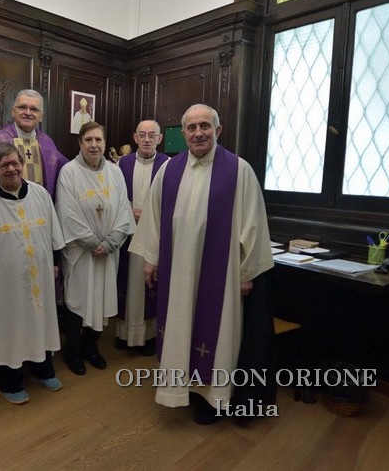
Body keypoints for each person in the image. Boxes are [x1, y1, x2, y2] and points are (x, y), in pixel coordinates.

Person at [129, 104, 274, 424]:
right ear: (183, 134)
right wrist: (151, 260)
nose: (198, 133)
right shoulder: (169, 170)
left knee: (217, 336)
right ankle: (180, 390)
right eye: (191, 128)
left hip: (220, 278)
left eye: (205, 126)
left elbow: (253, 224)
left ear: (218, 131)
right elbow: (153, 218)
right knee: (179, 329)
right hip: (177, 272)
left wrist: (246, 272)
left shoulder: (239, 171)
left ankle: (212, 398)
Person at [0, 143, 66, 404]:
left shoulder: (40, 195)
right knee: (9, 329)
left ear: (22, 164)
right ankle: (9, 382)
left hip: (39, 279)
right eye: (4, 165)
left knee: (41, 323)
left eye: (15, 162)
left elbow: (53, 234)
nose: (11, 168)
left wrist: (54, 263)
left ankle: (42, 369)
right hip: (3, 286)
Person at [56, 121, 135, 375]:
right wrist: (92, 242)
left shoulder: (115, 171)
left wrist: (111, 242)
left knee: (100, 299)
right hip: (81, 251)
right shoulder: (69, 172)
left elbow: (124, 208)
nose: (94, 145)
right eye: (88, 140)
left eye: (98, 140)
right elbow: (67, 213)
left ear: (104, 143)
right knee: (78, 299)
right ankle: (73, 349)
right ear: (80, 143)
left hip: (108, 252)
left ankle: (91, 346)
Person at [114, 120, 168, 356]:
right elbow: (114, 196)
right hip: (127, 233)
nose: (147, 139)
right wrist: (130, 210)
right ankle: (123, 334)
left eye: (152, 135)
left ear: (160, 138)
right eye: (142, 135)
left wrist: (150, 214)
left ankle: (147, 336)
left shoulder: (169, 165)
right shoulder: (121, 164)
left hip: (155, 234)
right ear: (135, 138)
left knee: (149, 284)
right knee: (126, 281)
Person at [0, 89, 68, 199]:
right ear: (13, 112)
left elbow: (65, 172)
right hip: (4, 206)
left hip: (40, 206)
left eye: (34, 109)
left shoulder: (47, 142)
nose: (28, 113)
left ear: (41, 116)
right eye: (22, 107)